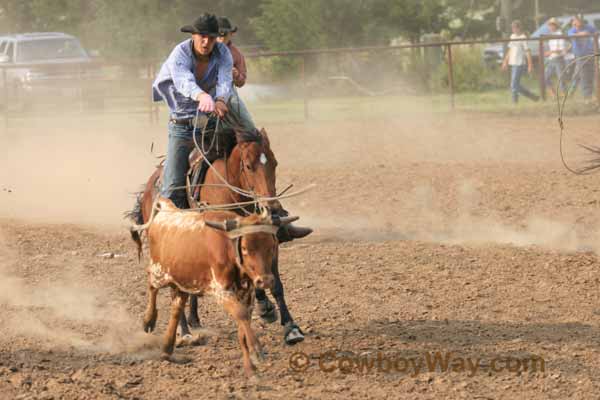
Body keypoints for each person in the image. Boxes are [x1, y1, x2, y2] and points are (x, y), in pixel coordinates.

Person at [152, 13, 311, 240]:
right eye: (202, 37)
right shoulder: (180, 53)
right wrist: (200, 95)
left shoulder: (223, 53)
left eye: (211, 37)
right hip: (183, 122)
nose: (207, 42)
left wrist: (220, 100)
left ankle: (274, 214)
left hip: (214, 115)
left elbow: (226, 81)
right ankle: (170, 230)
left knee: (252, 151)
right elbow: (183, 81)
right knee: (173, 186)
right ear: (194, 36)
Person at [502, 20, 540, 103]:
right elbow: (510, 49)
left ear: (519, 28)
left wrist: (530, 64)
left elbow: (527, 51)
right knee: (515, 84)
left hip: (519, 63)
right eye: (512, 28)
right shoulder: (512, 36)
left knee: (513, 84)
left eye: (515, 27)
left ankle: (517, 101)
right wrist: (505, 61)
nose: (513, 29)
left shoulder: (523, 37)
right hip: (512, 62)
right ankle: (532, 97)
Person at [568, 15, 598, 103]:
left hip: (590, 54)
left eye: (579, 20)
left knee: (590, 75)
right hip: (580, 56)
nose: (578, 22)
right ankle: (586, 97)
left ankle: (590, 95)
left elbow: (596, 32)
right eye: (576, 21)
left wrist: (591, 34)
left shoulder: (588, 27)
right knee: (583, 76)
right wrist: (581, 33)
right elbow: (571, 35)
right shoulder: (572, 29)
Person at [544, 17, 568, 98]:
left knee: (561, 78)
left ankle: (564, 95)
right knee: (545, 77)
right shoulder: (551, 35)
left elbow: (561, 49)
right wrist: (549, 53)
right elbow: (551, 48)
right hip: (551, 59)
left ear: (555, 26)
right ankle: (554, 94)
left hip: (559, 59)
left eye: (552, 25)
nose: (550, 27)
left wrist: (550, 52)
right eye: (549, 25)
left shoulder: (560, 34)